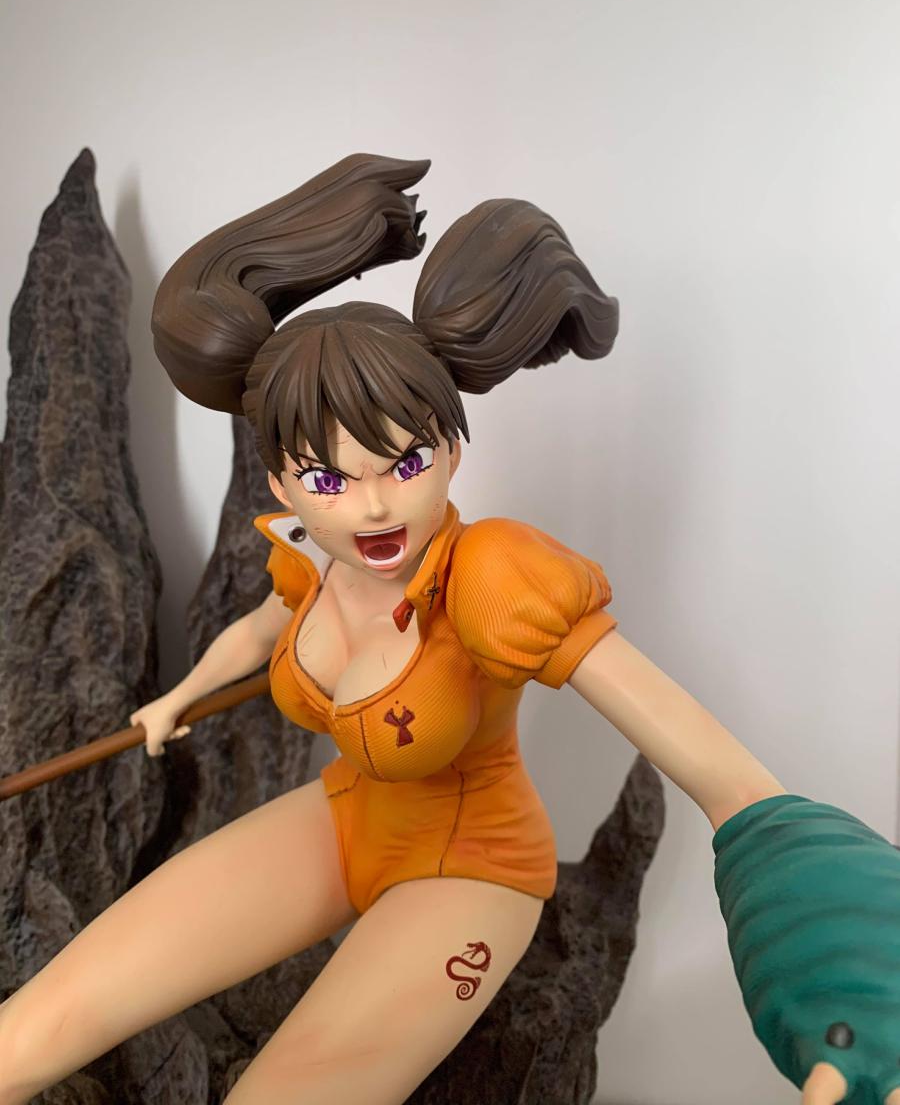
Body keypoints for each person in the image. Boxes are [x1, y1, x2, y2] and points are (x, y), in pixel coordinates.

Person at [1, 153, 897, 1105]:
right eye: (329, 479)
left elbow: (725, 777)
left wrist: (834, 936)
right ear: (280, 485)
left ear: (453, 446)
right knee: (39, 1025)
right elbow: (261, 631)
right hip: (344, 822)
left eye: (407, 462)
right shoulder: (309, 557)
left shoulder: (492, 574)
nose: (374, 508)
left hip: (473, 872)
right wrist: (174, 701)